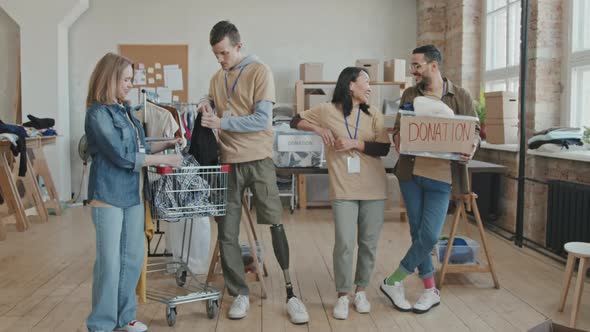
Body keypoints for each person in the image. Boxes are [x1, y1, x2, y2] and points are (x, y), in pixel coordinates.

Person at [198, 20, 309, 324]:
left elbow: (262, 120)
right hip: (228, 162)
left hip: (259, 159)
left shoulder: (260, 72)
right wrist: (204, 103)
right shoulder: (217, 77)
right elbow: (212, 99)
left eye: (224, 53)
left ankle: (290, 292)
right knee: (227, 231)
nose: (220, 59)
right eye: (216, 54)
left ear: (238, 46)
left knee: (275, 223)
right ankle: (239, 293)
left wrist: (222, 123)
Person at [85, 52, 182, 332]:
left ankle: (124, 317)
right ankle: (101, 324)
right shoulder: (97, 115)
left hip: (134, 195)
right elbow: (120, 154)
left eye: (131, 79)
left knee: (132, 259)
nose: (130, 85)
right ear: (109, 78)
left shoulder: (125, 111)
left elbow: (138, 147)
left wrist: (164, 145)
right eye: (126, 79)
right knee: (109, 264)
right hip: (108, 196)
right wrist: (161, 161)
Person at [381, 44, 480, 314]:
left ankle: (394, 280)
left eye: (417, 65)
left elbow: (474, 130)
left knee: (430, 235)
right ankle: (430, 290)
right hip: (411, 174)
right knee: (417, 233)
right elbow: (400, 128)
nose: (413, 70)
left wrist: (472, 144)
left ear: (433, 66)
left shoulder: (460, 95)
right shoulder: (410, 94)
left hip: (443, 176)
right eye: (412, 66)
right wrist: (398, 138)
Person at [291, 67, 391, 319]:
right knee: (345, 243)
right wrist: (317, 129)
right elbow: (295, 120)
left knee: (368, 243)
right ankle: (343, 295)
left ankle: (361, 291)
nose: (370, 87)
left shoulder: (375, 113)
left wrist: (355, 143)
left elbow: (384, 149)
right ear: (350, 85)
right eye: (366, 82)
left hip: (374, 189)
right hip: (343, 188)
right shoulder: (326, 110)